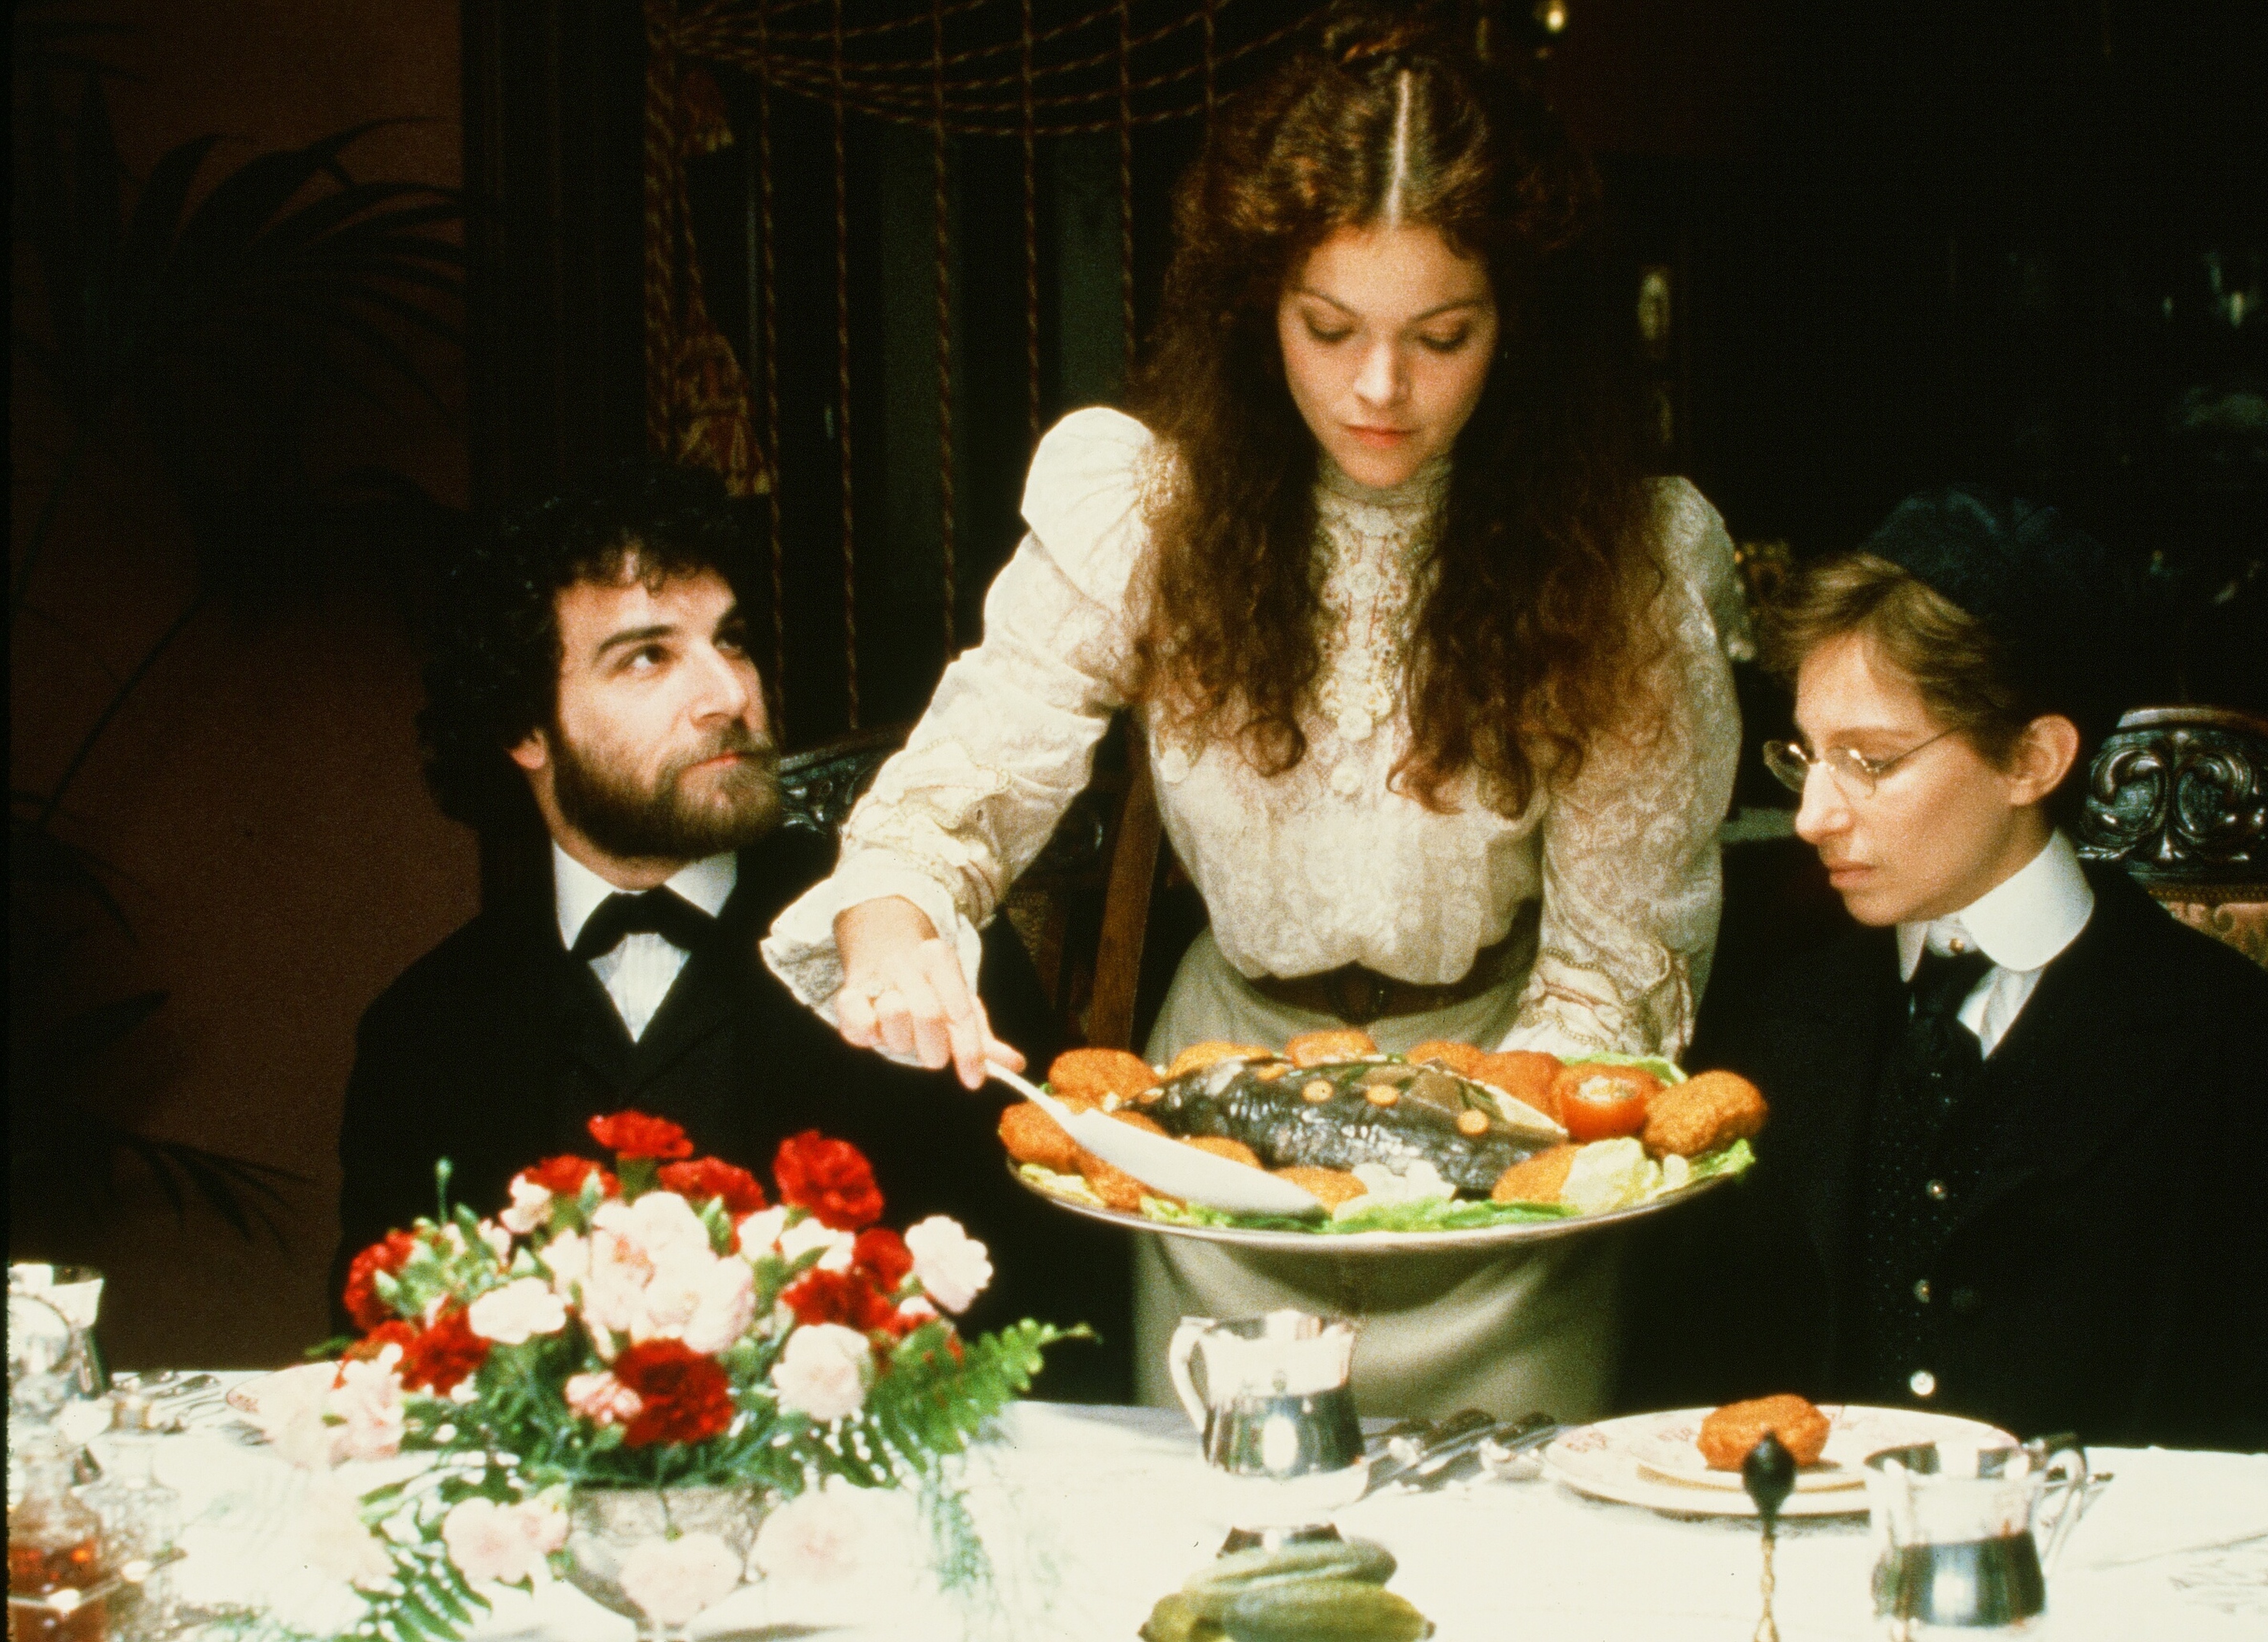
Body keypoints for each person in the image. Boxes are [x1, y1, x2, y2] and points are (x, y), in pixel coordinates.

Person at [762, 4, 1748, 1418]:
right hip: (1211, 1145)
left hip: (1505, 1138)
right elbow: (957, 791)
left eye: (1442, 336)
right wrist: (894, 925)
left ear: (1514, 326)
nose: (1378, 387)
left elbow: (1614, 968)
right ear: (1253, 304)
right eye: (1327, 325)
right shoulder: (1145, 509)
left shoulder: (1624, 564)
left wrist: (1460, 1164)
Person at [1627, 486, 2268, 1458]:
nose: (1814, 813)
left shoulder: (2259, 1065)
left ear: (2032, 758)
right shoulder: (1775, 1027)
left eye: (1870, 761)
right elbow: (1687, 1392)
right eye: (1806, 756)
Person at [330, 466, 1116, 1381]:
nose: (728, 695)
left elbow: (1060, 1333)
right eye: (647, 657)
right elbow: (390, 1371)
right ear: (524, 727)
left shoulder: (906, 939)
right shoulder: (422, 1029)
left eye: (731, 642)